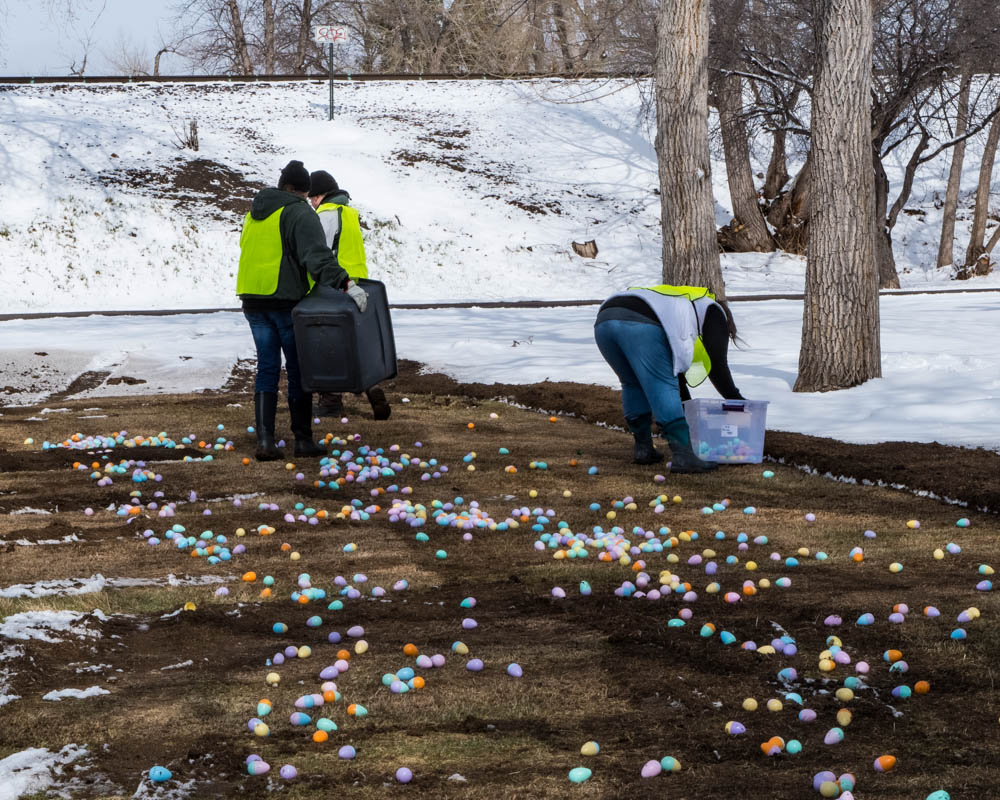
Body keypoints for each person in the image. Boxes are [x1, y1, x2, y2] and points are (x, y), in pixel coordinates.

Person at [238, 159, 368, 461]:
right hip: (284, 302)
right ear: (303, 190)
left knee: (267, 369)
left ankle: (266, 441)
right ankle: (302, 439)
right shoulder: (298, 212)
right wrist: (346, 284)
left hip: (253, 300)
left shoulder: (254, 213)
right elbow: (317, 257)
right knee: (297, 370)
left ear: (282, 185)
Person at [594, 284, 744, 473]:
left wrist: (687, 410)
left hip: (605, 319)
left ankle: (643, 449)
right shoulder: (714, 310)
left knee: (632, 384)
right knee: (664, 385)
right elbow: (717, 366)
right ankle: (684, 456)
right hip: (640, 323)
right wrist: (739, 402)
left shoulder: (679, 302)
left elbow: (680, 377)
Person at [307, 169, 391, 421]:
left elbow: (319, 252)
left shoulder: (326, 215)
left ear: (321, 195)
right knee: (355, 341)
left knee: (326, 342)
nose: (311, 202)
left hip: (334, 286)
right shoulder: (350, 214)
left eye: (312, 197)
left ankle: (330, 401)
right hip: (358, 284)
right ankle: (372, 387)